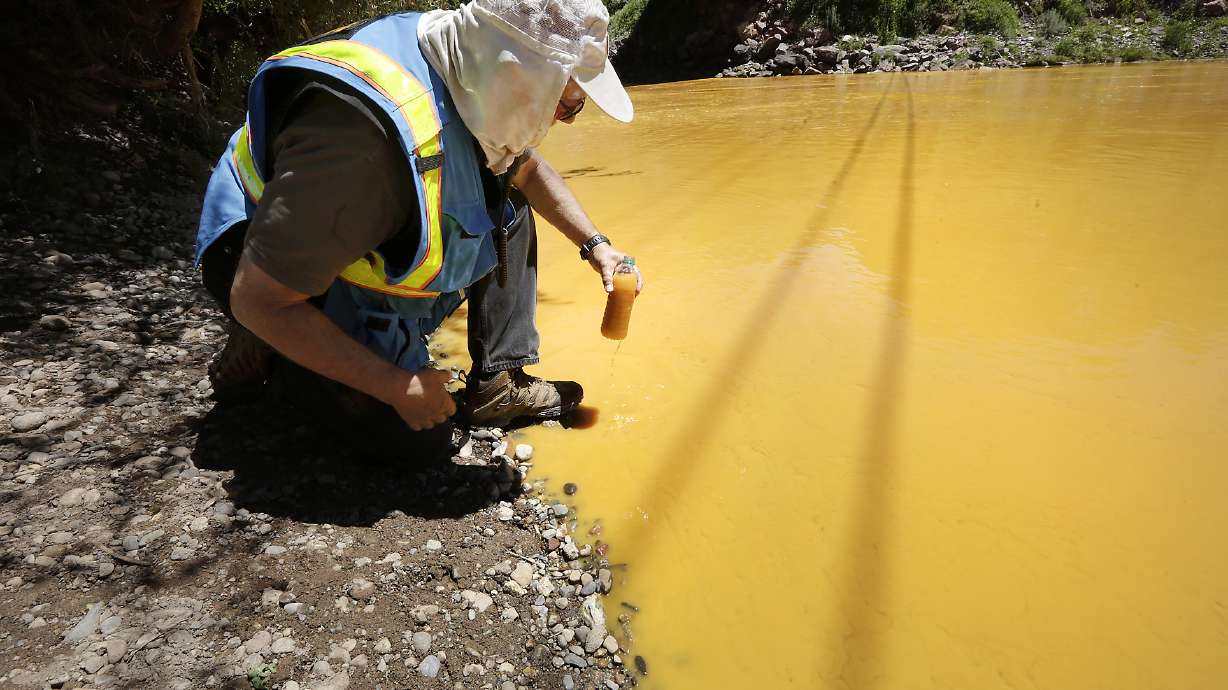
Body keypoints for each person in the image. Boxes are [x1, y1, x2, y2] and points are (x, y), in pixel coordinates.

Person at [194, 0, 643, 455]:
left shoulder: (468, 64)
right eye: (567, 106)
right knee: (418, 441)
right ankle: (277, 354)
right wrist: (397, 386)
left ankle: (498, 383)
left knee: (508, 202)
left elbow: (524, 170)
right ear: (521, 83)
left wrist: (596, 245)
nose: (566, 120)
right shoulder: (359, 153)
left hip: (339, 232)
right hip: (263, 264)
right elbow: (257, 297)